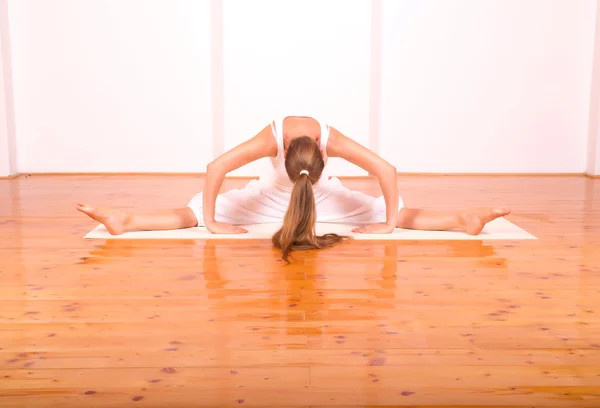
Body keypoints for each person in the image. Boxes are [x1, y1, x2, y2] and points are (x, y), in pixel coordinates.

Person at [77, 115, 510, 262]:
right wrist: (387, 224)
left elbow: (214, 170)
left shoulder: (312, 139)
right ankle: (461, 220)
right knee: (389, 209)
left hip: (283, 199)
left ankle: (126, 220)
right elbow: (388, 171)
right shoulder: (284, 136)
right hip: (280, 198)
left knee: (191, 210)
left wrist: (210, 221)